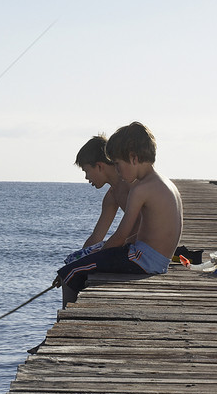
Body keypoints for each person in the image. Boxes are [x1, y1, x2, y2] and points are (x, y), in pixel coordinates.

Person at [56, 122, 183, 307]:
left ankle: (65, 318)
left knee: (70, 271)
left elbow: (122, 236)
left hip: (143, 259)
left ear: (133, 158)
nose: (117, 170)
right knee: (73, 266)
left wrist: (98, 255)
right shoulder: (166, 184)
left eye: (117, 164)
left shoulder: (140, 189)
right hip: (156, 259)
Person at [63, 135, 135, 264]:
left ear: (99, 166)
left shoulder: (131, 186)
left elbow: (139, 228)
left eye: (87, 171)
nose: (86, 177)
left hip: (147, 247)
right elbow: (96, 237)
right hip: (132, 244)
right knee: (72, 264)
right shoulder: (112, 196)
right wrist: (77, 261)